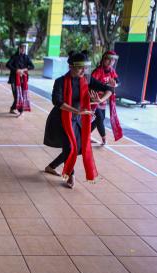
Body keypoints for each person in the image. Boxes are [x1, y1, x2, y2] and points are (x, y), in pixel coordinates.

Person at [43, 51, 114, 188]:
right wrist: (77, 111)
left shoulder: (86, 80)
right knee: (70, 148)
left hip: (76, 119)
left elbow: (109, 89)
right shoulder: (60, 81)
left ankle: (51, 166)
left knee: (75, 148)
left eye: (85, 67)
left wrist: (100, 100)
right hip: (61, 119)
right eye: (80, 67)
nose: (84, 70)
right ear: (71, 67)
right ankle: (70, 175)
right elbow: (57, 101)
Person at [91, 50, 123, 145]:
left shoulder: (112, 71)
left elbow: (118, 81)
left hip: (104, 100)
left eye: (112, 60)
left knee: (100, 118)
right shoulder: (97, 71)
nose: (110, 62)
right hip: (94, 99)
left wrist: (115, 84)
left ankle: (85, 134)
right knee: (99, 118)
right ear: (103, 59)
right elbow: (91, 85)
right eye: (108, 60)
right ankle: (104, 138)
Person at [6, 43, 34, 115]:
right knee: (17, 96)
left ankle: (12, 108)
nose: (23, 50)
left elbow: (32, 66)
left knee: (21, 95)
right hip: (14, 79)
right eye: (21, 48)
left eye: (24, 48)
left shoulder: (26, 57)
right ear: (19, 48)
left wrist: (25, 69)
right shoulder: (14, 57)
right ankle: (21, 110)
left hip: (23, 79)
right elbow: (8, 65)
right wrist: (16, 70)